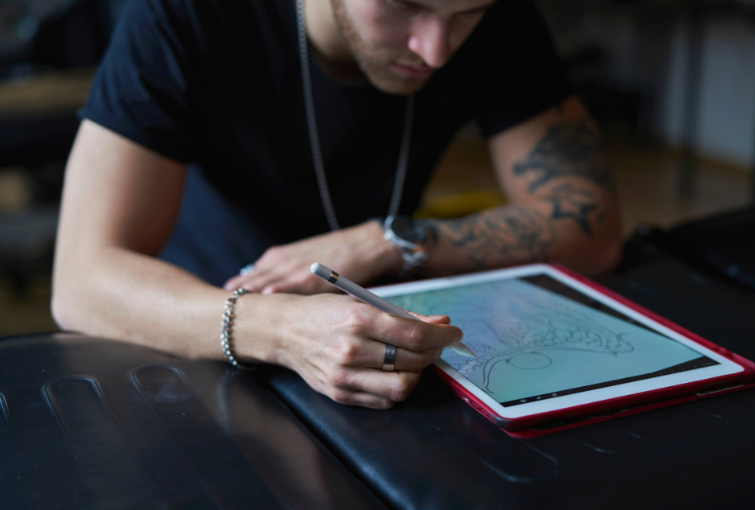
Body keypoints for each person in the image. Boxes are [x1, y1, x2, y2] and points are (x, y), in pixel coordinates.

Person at [52, 0, 622, 409]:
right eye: (405, 6)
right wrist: (277, 330)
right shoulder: (181, 16)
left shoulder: (500, 19)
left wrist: (386, 240)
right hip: (192, 335)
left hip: (381, 352)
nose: (437, 49)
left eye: (464, 15)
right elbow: (81, 282)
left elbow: (590, 226)